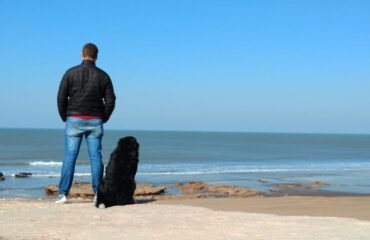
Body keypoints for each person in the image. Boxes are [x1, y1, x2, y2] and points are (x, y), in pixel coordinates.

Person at [56, 43, 116, 204]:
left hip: (74, 118)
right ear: (96, 56)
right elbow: (111, 100)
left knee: (70, 156)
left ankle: (63, 194)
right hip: (95, 119)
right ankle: (98, 193)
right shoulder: (103, 76)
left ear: (82, 54)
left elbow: (61, 97)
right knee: (95, 157)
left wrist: (64, 117)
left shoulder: (70, 73)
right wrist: (104, 117)